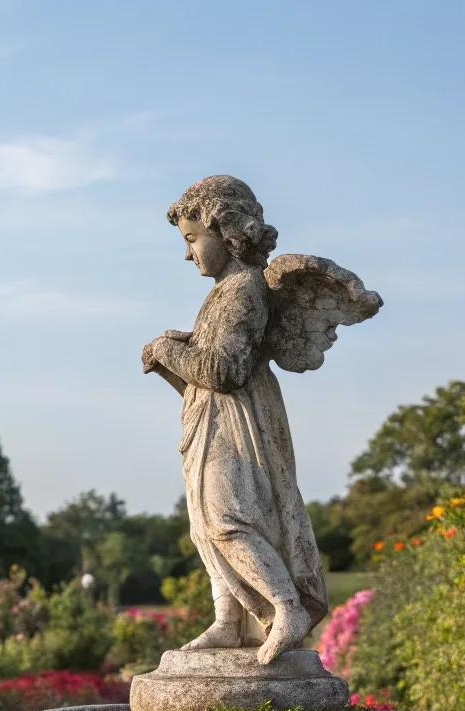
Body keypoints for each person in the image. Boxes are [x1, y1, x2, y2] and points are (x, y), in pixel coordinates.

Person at [143, 175, 379, 665]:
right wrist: (174, 357)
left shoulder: (243, 290)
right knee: (205, 527)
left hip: (237, 421)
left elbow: (223, 371)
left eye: (192, 239)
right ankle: (229, 621)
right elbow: (201, 379)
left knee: (229, 519)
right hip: (210, 421)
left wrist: (170, 348)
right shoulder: (223, 292)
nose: (188, 254)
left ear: (226, 231)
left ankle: (286, 606)